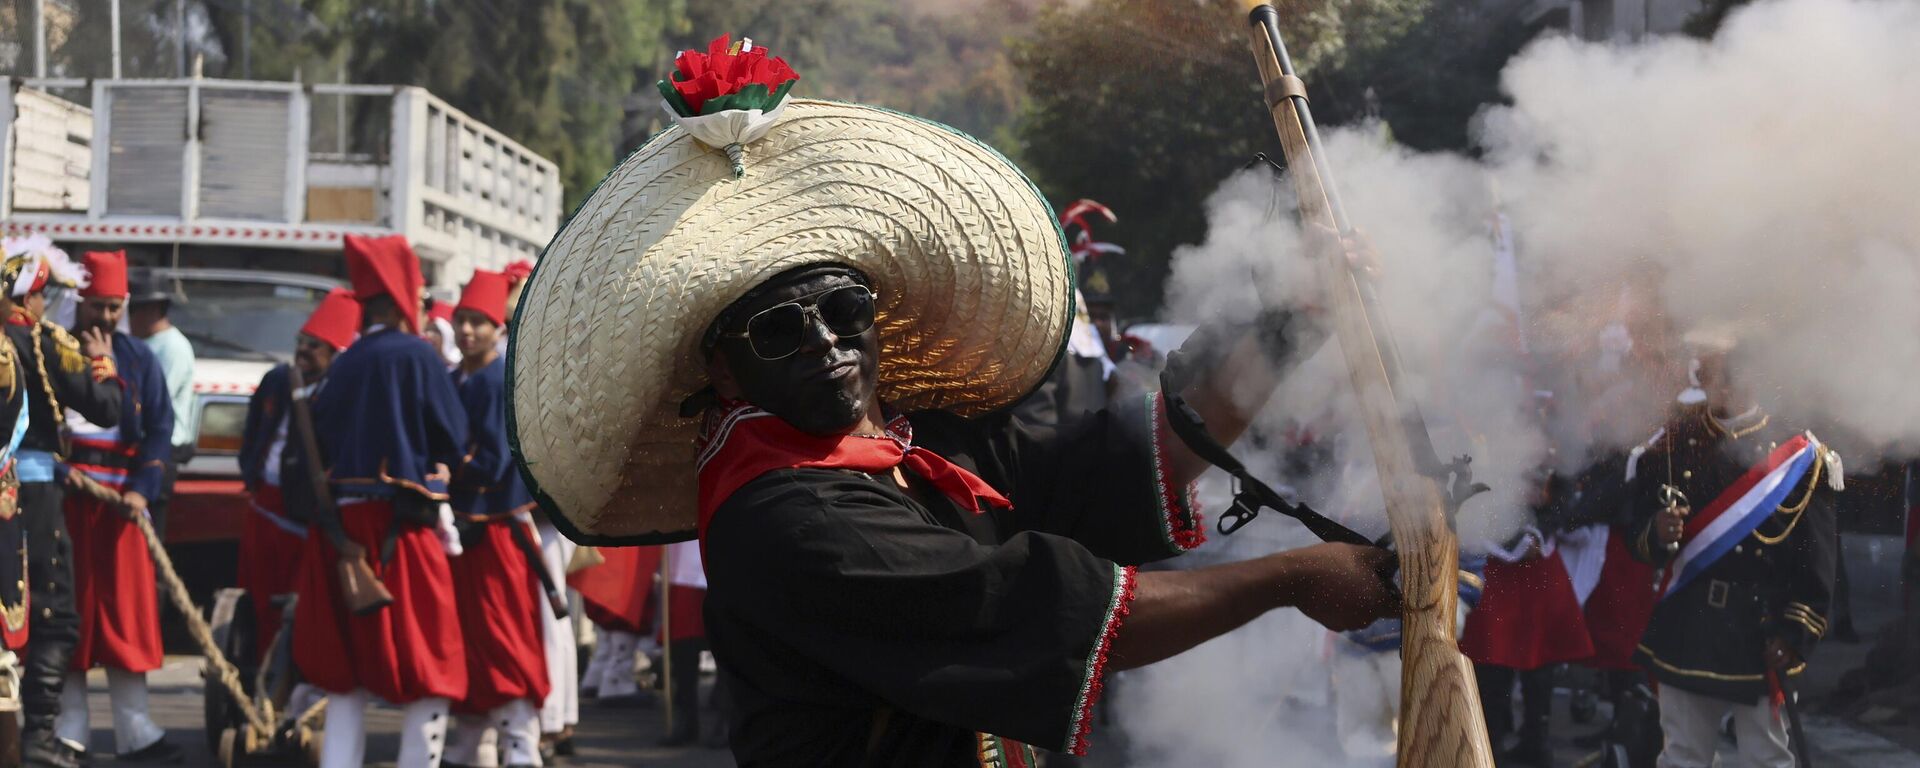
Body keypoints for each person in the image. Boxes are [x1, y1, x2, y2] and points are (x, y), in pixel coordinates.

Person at [507, 83, 1397, 764]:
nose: (822, 340)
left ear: (876, 316)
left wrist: (1287, 323)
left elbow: (1123, 461)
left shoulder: (925, 446)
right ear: (727, 371)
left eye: (841, 306)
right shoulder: (779, 517)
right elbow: (1037, 612)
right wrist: (1290, 579)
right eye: (778, 329)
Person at [291, 234, 469, 768]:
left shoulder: (342, 364)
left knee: (346, 672)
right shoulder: (418, 356)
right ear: (397, 298)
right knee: (431, 665)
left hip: (343, 534)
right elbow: (453, 440)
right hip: (402, 529)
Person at [1630, 332, 1840, 768]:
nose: (1705, 377)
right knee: (1683, 756)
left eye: (1718, 368)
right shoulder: (1676, 438)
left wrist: (1793, 634)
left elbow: (1815, 559)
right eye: (1705, 367)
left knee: (1765, 758)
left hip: (1759, 630)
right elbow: (1638, 530)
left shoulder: (1797, 454)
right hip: (1688, 624)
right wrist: (1660, 531)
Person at [53, 251, 181, 763]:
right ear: (79, 302)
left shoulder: (139, 359)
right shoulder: (53, 348)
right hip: (65, 502)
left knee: (126, 617)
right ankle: (70, 728)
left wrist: (141, 490)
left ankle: (135, 729)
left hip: (122, 505)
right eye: (97, 307)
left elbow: (160, 431)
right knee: (66, 615)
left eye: (114, 308)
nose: (105, 318)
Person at [2, 238, 122, 768]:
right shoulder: (44, 340)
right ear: (31, 297)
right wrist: (103, 364)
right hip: (35, 495)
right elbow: (105, 408)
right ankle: (38, 741)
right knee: (55, 614)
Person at [442, 271, 549, 768]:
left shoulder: (500, 380)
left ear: (495, 329)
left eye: (477, 323)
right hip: (460, 532)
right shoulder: (453, 378)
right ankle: (470, 747)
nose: (467, 331)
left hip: (497, 532)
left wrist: (449, 468)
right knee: (467, 639)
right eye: (462, 320)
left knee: (504, 637)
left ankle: (521, 748)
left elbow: (494, 462)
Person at [237, 289, 360, 655]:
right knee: (258, 592)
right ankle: (258, 662)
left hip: (307, 512)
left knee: (302, 598)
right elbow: (254, 430)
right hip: (265, 503)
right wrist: (250, 473)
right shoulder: (277, 379)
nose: (304, 351)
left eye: (315, 346)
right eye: (302, 342)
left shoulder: (340, 390)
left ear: (335, 353)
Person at [128, 276, 194, 539]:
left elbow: (154, 404)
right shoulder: (147, 344)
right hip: (147, 446)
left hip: (161, 449)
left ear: (154, 310)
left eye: (133, 310)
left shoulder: (172, 348)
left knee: (151, 532)